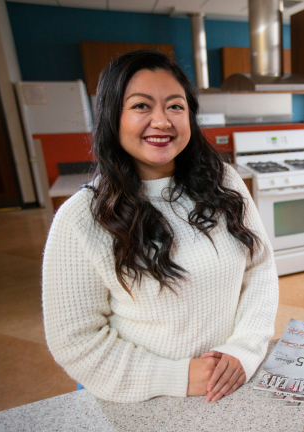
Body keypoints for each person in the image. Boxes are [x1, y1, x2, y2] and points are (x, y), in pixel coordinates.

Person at [42, 50, 279, 403]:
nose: (162, 121)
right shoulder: (82, 218)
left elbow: (259, 267)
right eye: (141, 106)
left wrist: (244, 349)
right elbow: (75, 340)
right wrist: (176, 377)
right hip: (143, 397)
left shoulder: (224, 181)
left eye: (175, 106)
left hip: (230, 384)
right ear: (112, 117)